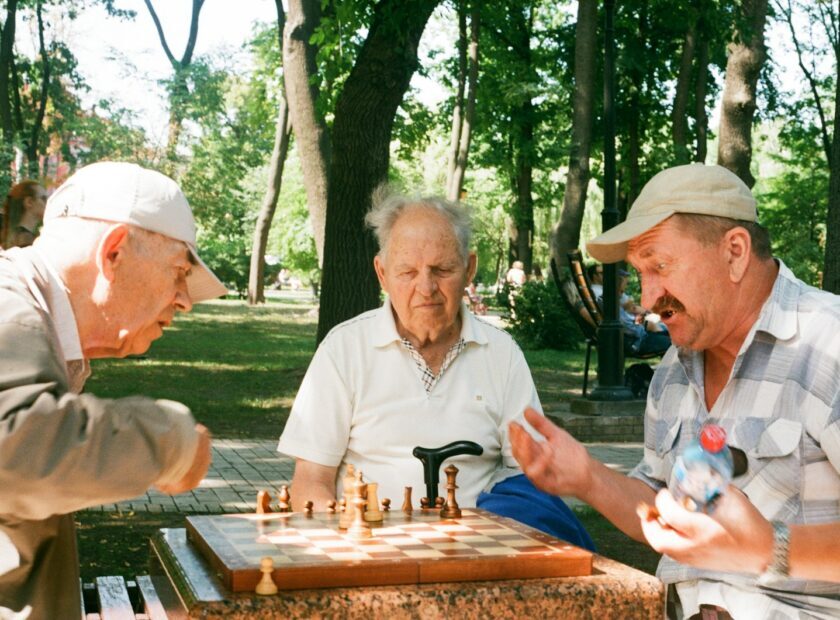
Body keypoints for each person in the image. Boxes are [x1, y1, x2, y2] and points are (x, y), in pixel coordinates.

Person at [510, 163, 840, 619]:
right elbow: (661, 511)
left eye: (660, 266)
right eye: (640, 274)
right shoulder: (673, 369)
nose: (647, 299)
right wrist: (586, 476)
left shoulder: (828, 346)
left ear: (735, 252)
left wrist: (771, 548)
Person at [277, 193, 592, 549]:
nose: (425, 288)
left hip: (480, 557)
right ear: (382, 273)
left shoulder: (502, 354)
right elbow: (311, 480)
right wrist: (346, 544)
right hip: (372, 553)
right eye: (407, 272)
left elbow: (529, 479)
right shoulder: (343, 350)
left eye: (442, 270)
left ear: (469, 268)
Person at [0, 162, 228, 618]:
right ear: (115, 251)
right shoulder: (10, 310)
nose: (184, 299)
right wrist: (171, 440)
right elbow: (13, 446)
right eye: (179, 271)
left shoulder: (30, 316)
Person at [0, 180, 48, 249]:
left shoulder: (12, 235)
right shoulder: (24, 238)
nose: (48, 203)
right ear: (29, 202)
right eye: (43, 198)